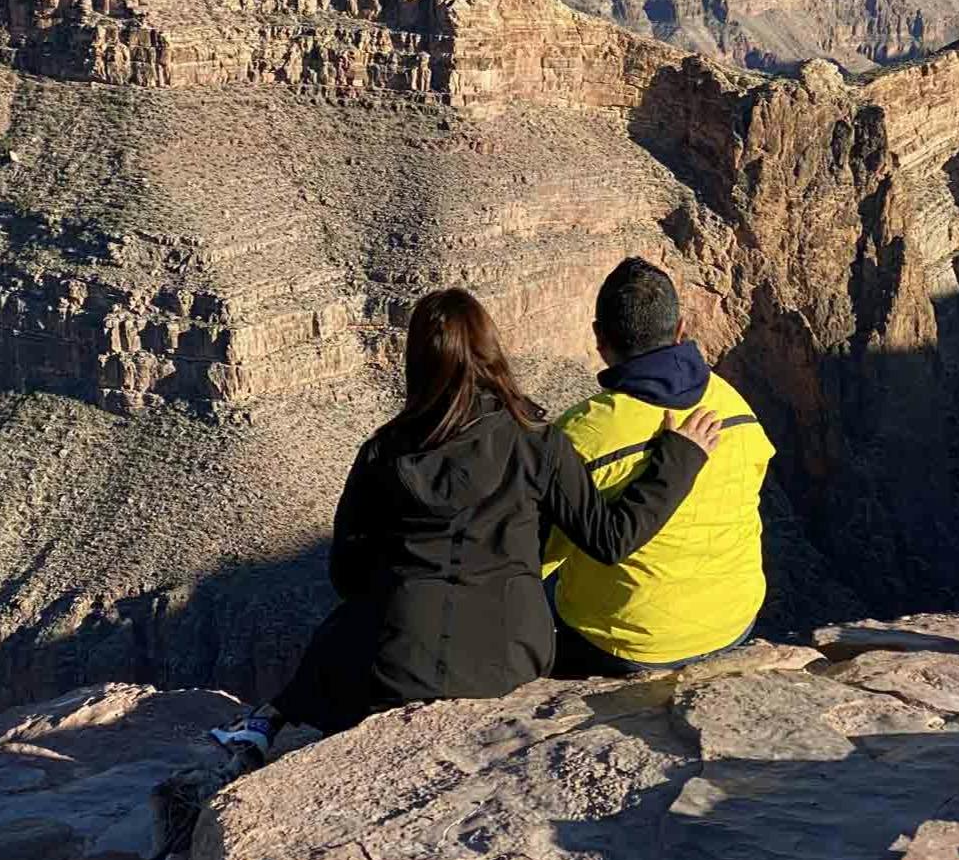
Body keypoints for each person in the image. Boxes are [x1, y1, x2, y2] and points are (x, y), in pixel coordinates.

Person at [210, 287, 724, 765]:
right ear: (493, 350)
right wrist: (677, 460)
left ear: (417, 363)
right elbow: (611, 540)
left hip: (399, 667)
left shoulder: (384, 452)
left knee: (344, 625)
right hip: (512, 658)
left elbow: (347, 575)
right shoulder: (536, 440)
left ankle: (270, 719)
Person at [544, 257, 776, 677]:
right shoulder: (733, 407)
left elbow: (539, 552)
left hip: (627, 643)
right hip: (733, 621)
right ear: (681, 328)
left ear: (599, 338)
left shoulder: (581, 435)